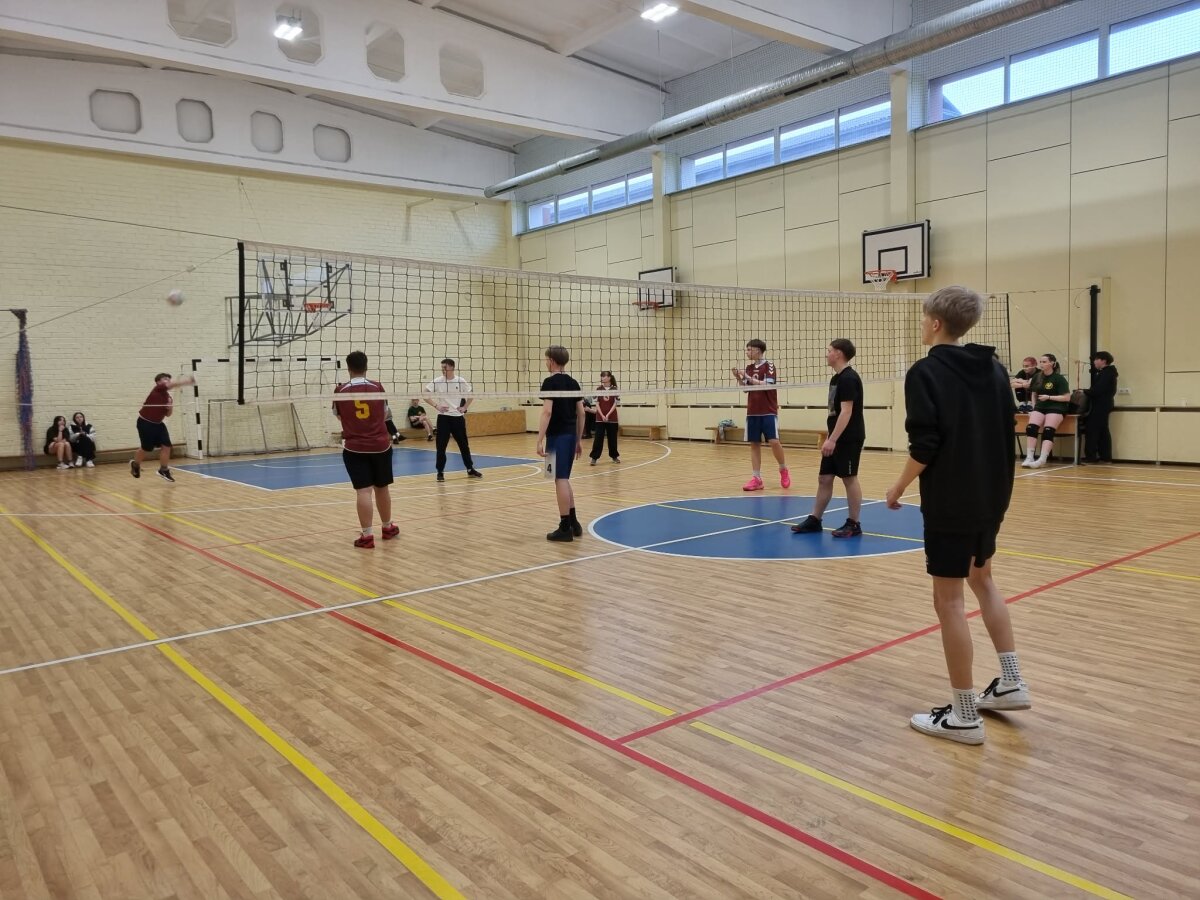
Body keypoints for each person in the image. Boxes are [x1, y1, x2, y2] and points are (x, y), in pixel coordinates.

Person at [885, 285, 1029, 745]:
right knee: (983, 580)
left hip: (951, 500)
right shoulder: (995, 368)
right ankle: (1011, 682)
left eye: (922, 317)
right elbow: (1008, 426)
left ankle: (964, 715)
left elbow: (925, 444)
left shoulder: (925, 371)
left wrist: (899, 486)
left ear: (934, 322)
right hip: (993, 494)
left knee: (948, 602)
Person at [790, 338, 864, 538]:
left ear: (838, 354)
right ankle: (815, 520)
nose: (826, 353)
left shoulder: (849, 378)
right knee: (824, 478)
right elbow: (835, 412)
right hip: (836, 436)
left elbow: (846, 412)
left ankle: (854, 524)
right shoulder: (836, 379)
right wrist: (830, 437)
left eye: (829, 350)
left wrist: (833, 439)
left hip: (849, 438)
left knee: (849, 478)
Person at [332, 351, 399, 549]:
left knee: (363, 491)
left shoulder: (340, 390)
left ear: (348, 368)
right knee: (382, 488)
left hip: (355, 447)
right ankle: (387, 527)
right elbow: (385, 414)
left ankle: (367, 536)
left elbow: (339, 415)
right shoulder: (377, 387)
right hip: (380, 445)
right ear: (366, 366)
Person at [729, 339, 790, 492]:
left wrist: (747, 377)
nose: (747, 352)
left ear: (758, 350)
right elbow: (746, 389)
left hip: (768, 410)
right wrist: (739, 378)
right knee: (754, 444)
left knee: (774, 441)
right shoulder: (749, 368)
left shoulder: (769, 366)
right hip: (753, 411)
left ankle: (783, 469)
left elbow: (768, 385)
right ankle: (756, 478)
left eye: (749, 349)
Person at [537, 345, 584, 541]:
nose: (545, 362)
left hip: (557, 437)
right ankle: (573, 523)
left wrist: (539, 439)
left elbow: (547, 412)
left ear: (552, 361)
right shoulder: (573, 382)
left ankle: (565, 528)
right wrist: (578, 439)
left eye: (546, 359)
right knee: (562, 478)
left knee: (560, 479)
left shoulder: (549, 382)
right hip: (570, 436)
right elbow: (581, 413)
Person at [425, 358, 482, 482]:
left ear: (452, 367)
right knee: (441, 447)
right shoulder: (437, 381)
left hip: (458, 418)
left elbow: (472, 394)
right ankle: (440, 472)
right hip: (443, 418)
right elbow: (424, 394)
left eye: (445, 367)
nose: (443, 370)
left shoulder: (460, 381)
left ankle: (470, 469)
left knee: (464, 445)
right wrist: (436, 406)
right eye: (442, 368)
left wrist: (465, 407)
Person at [132, 372, 194, 482]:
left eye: (169, 379)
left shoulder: (168, 397)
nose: (168, 380)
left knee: (166, 446)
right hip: (145, 423)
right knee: (147, 448)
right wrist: (187, 381)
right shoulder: (157, 389)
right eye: (165, 379)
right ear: (158, 382)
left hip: (159, 424)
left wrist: (170, 407)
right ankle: (135, 464)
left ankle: (163, 470)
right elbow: (172, 385)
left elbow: (168, 414)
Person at [1021, 353, 1070, 468]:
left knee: (1048, 431)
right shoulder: (1037, 377)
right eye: (1040, 362)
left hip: (1056, 407)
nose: (1041, 364)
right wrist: (1034, 407)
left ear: (1052, 363)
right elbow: (1034, 393)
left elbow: (1067, 397)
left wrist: (1049, 397)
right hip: (1040, 407)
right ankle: (1029, 457)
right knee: (1031, 428)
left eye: (1044, 362)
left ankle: (1042, 459)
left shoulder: (1059, 378)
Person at [1084, 351, 1118, 464]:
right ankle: (1105, 457)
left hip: (1100, 405)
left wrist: (1084, 391)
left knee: (1092, 429)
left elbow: (1097, 390)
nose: (1094, 362)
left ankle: (1091, 457)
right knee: (1103, 431)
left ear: (1103, 360)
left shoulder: (1107, 373)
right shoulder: (1107, 373)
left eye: (1096, 359)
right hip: (1104, 404)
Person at [588, 370, 620, 466]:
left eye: (604, 376)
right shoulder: (598, 389)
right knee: (598, 438)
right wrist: (602, 415)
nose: (602, 378)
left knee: (612, 439)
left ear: (609, 378)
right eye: (601, 376)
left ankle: (614, 456)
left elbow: (615, 404)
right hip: (600, 418)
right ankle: (594, 458)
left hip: (612, 418)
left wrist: (608, 415)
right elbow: (597, 404)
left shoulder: (615, 389)